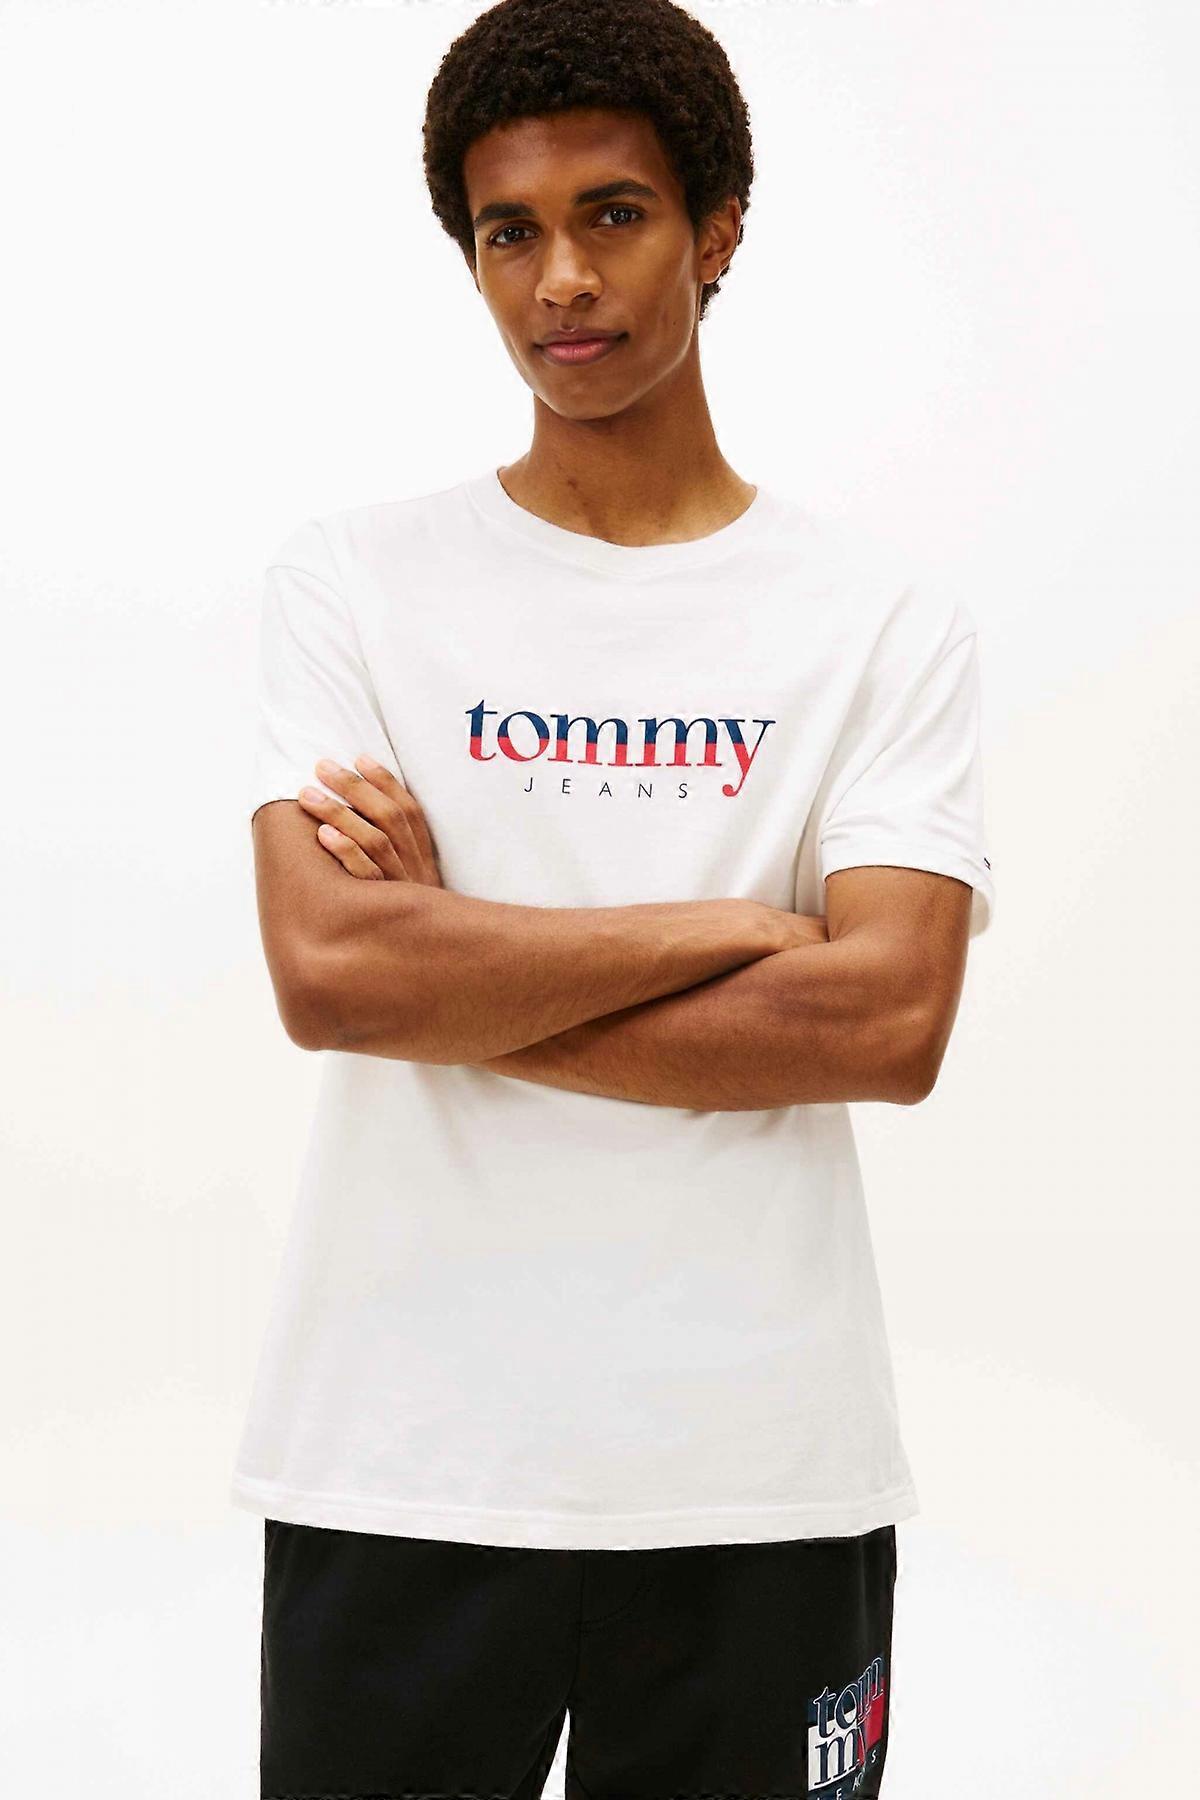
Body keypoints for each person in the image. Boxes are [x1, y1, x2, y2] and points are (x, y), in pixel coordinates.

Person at [234, 1, 995, 1794]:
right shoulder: (351, 584)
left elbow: (887, 1021)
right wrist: (741, 928)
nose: (561, 279)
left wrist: (456, 971)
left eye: (615, 215)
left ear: (717, 229)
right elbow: (334, 975)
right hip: (404, 1464)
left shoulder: (880, 619)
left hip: (762, 1477)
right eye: (511, 231)